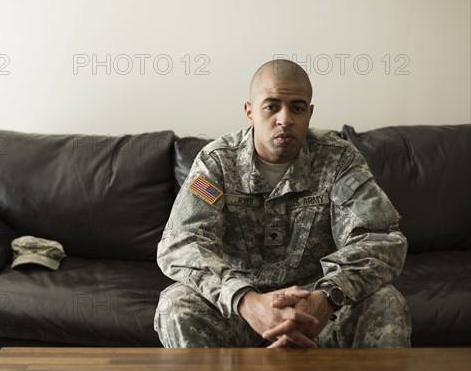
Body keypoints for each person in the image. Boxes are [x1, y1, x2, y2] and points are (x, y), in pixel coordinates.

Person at [154, 59, 412, 348]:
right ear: (249, 112)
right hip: (239, 310)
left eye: (297, 108)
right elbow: (181, 244)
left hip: (317, 311)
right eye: (271, 106)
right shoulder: (217, 163)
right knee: (176, 305)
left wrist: (328, 297)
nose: (285, 119)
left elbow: (382, 238)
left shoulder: (338, 159)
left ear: (310, 113)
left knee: (385, 301)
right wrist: (246, 301)